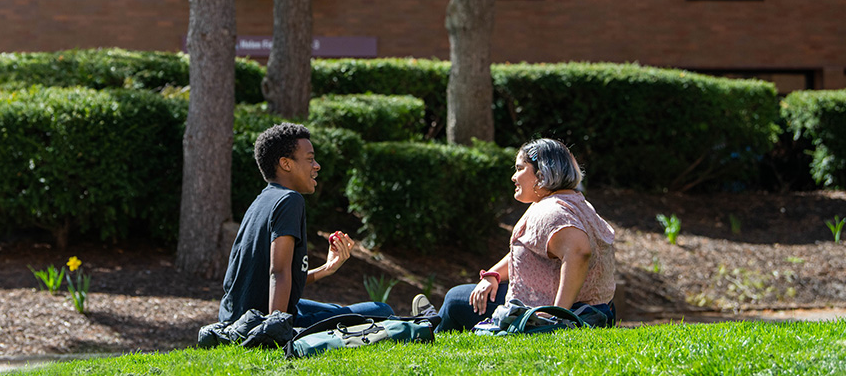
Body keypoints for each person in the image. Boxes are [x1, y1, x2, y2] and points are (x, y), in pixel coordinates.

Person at [425, 138, 616, 331]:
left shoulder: (551, 211)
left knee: (455, 299)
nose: (514, 177)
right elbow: (531, 247)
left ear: (541, 174)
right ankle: (428, 323)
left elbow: (579, 251)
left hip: (572, 313)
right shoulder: (573, 202)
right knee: (462, 296)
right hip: (596, 310)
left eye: (520, 168)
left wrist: (556, 316)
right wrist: (492, 275)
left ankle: (425, 331)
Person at [218, 122, 394, 327]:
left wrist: (327, 268)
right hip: (261, 320)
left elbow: (266, 279)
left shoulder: (262, 200)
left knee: (337, 310)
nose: (316, 165)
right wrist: (275, 329)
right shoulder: (290, 200)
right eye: (310, 159)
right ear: (286, 164)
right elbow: (278, 271)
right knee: (382, 311)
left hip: (240, 315)